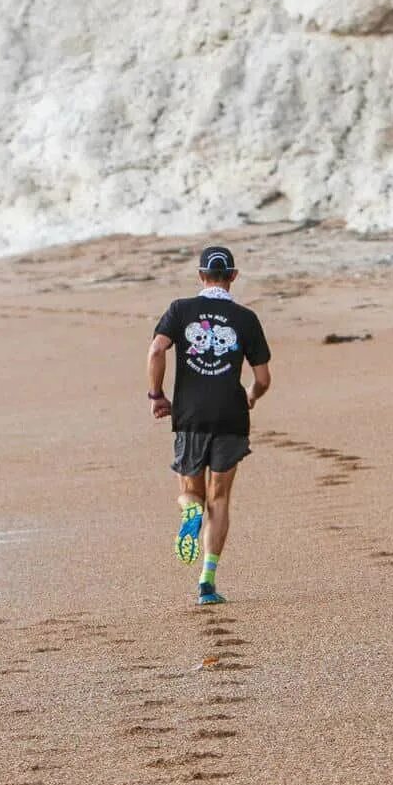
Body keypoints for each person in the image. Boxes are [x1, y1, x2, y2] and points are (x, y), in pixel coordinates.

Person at [146, 245, 272, 605]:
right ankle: (207, 581)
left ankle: (190, 509)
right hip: (231, 415)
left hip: (191, 415)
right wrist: (251, 396)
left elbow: (157, 350)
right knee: (221, 498)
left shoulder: (180, 310)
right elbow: (262, 378)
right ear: (233, 276)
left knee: (192, 492)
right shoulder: (246, 319)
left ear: (201, 276)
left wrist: (157, 396)